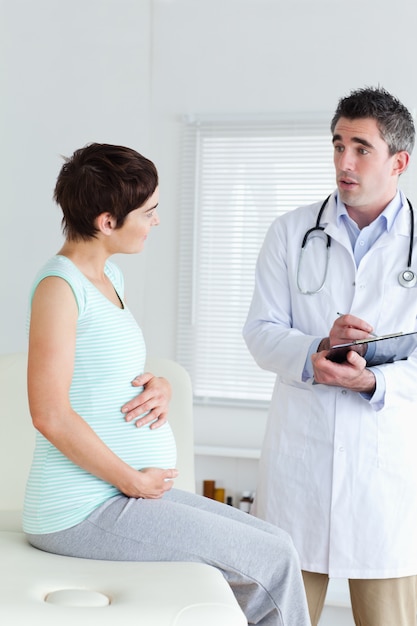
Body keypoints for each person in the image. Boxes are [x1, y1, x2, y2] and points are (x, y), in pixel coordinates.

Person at [23, 142, 310, 626]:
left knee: (279, 545)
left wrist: (161, 387)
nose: (156, 221)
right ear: (107, 221)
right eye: (148, 211)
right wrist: (130, 479)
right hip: (80, 507)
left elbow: (107, 373)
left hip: (117, 492)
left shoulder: (108, 276)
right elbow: (49, 413)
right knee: (272, 564)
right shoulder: (59, 288)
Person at [243, 86, 417, 626]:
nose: (344, 162)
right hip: (302, 467)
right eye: (338, 144)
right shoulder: (291, 233)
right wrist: (315, 350)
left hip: (384, 473)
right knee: (279, 615)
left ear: (399, 161)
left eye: (362, 148)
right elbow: (260, 331)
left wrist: (374, 384)